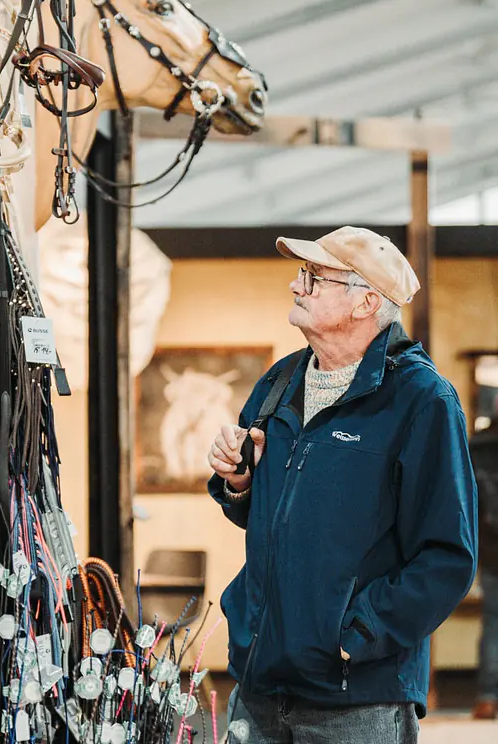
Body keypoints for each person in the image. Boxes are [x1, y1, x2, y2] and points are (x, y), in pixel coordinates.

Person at [205, 226, 478, 743]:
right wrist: (239, 481)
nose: (296, 286)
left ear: (366, 302)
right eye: (301, 274)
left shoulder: (422, 401)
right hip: (259, 684)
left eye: (314, 277)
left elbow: (447, 557)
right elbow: (271, 516)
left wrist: (359, 635)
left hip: (358, 698)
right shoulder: (280, 382)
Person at [471, 414, 498, 719]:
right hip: (491, 549)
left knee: (493, 622)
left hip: (491, 549)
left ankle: (488, 697)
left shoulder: (477, 447)